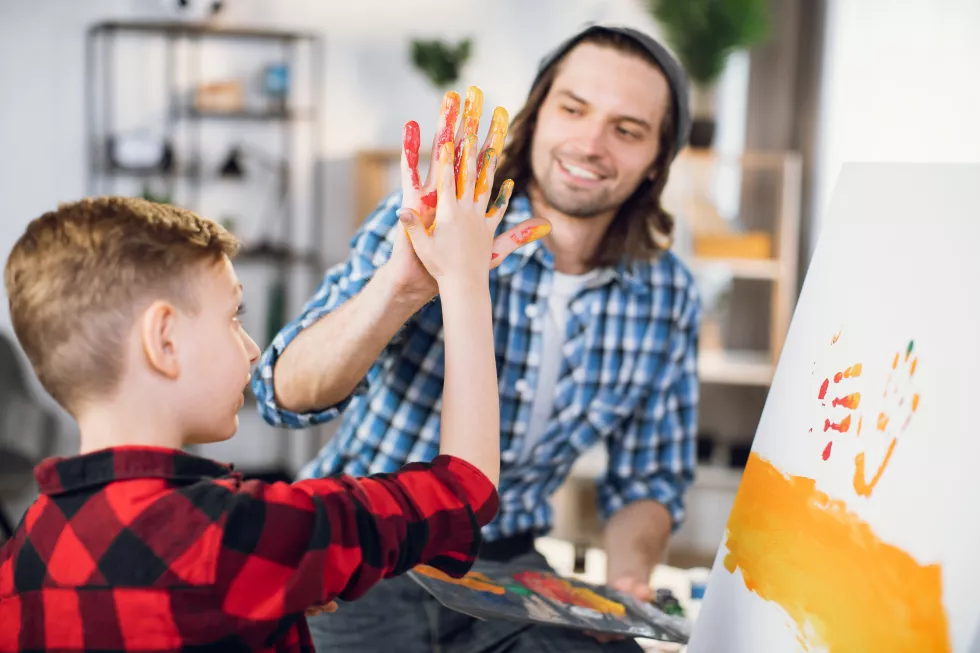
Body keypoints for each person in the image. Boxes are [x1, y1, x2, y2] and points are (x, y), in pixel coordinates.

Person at [255, 24, 701, 653]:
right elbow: (282, 396)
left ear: (657, 159)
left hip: (507, 573)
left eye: (626, 130)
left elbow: (649, 479)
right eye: (573, 109)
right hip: (363, 545)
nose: (591, 143)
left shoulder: (667, 294)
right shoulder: (434, 219)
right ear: (536, 114)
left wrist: (629, 580)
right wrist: (399, 289)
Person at [0, 153, 508, 652]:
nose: (251, 349)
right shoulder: (240, 536)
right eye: (233, 317)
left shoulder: (22, 555)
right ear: (164, 340)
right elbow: (465, 488)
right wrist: (464, 282)